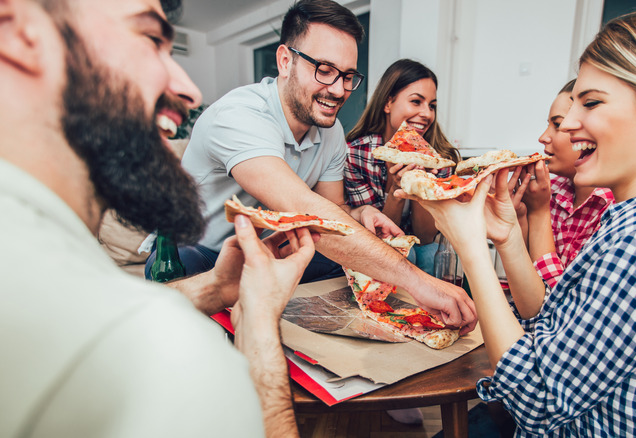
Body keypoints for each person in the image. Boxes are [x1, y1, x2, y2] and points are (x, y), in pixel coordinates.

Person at [398, 5, 636, 435]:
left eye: (590, 103)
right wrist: (508, 237)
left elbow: (538, 397)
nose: (568, 125)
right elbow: (554, 326)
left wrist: (473, 251)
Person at [1, 0, 313, 436]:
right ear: (16, 31)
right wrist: (258, 328)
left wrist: (214, 287)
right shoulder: (166, 351)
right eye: (150, 38)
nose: (190, 91)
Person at [177, 0, 476, 331]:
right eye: (324, 70)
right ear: (285, 61)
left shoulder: (331, 132)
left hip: (270, 252)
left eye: (348, 76)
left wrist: (361, 215)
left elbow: (334, 207)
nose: (339, 90)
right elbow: (303, 207)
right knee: (186, 263)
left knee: (346, 266)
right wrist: (420, 282)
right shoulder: (239, 116)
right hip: (202, 253)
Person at [344, 59, 460, 274]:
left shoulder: (439, 159)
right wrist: (397, 190)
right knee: (407, 252)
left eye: (432, 105)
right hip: (373, 245)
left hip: (421, 245)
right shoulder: (356, 154)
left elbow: (425, 237)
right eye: (416, 102)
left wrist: (420, 184)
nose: (427, 114)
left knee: (430, 251)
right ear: (388, 103)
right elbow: (376, 238)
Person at [513, 79, 613, 289]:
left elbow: (559, 304)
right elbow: (524, 278)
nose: (543, 137)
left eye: (557, 125)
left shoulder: (612, 208)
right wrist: (519, 216)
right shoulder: (550, 187)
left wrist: (538, 213)